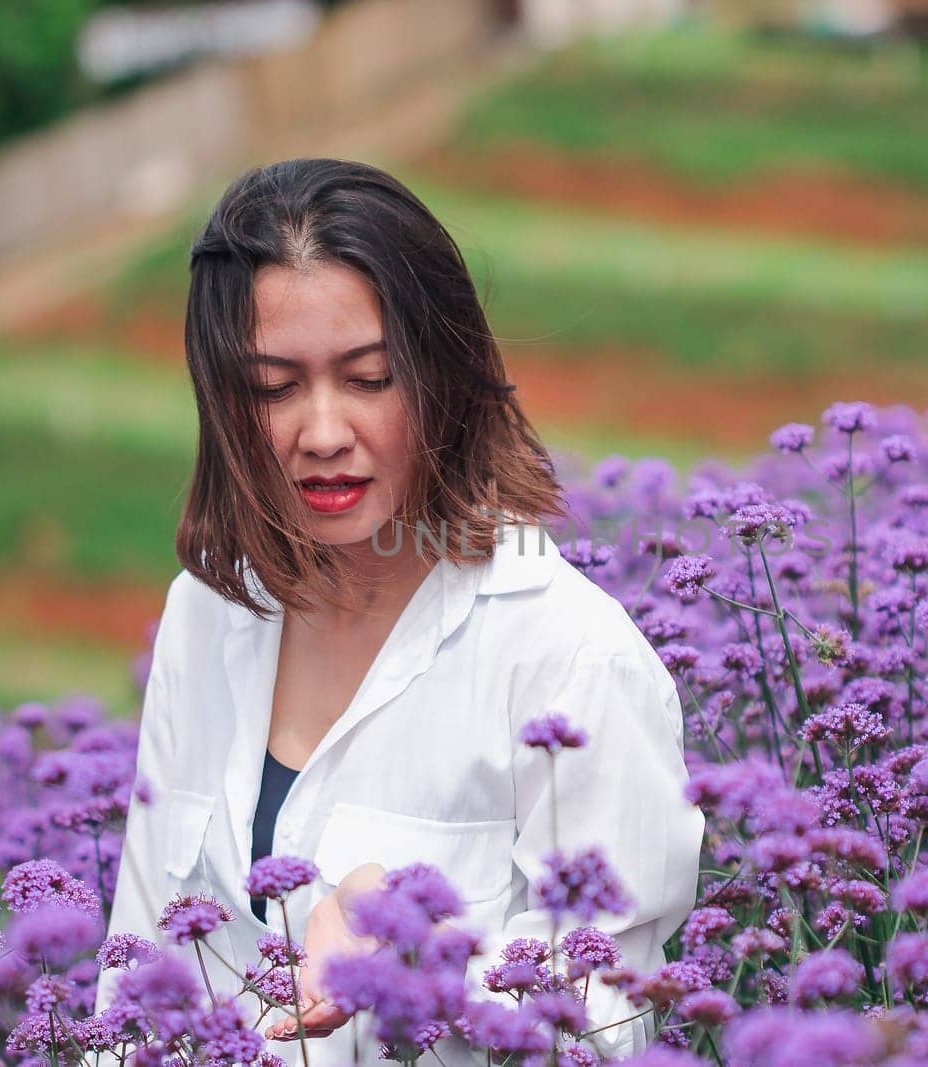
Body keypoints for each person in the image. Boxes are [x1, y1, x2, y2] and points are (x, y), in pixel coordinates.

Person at [93, 158, 705, 1065]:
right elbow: (134, 976)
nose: (324, 431)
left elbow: (607, 1019)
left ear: (443, 377)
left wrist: (412, 951)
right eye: (273, 387)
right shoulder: (205, 613)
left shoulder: (569, 653)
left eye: (369, 377)